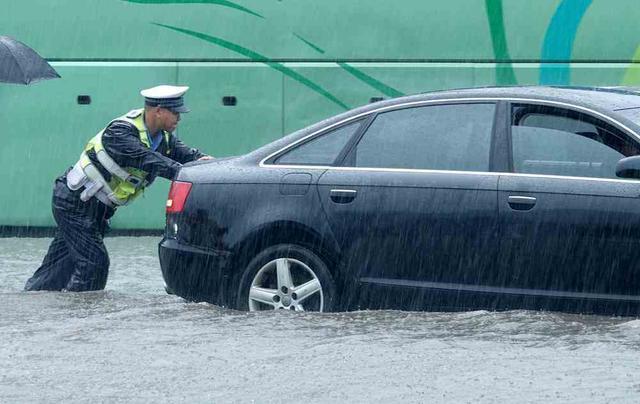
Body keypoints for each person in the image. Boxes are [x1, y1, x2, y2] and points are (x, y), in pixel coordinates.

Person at [24, 85, 211, 292]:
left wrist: (210, 166)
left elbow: (189, 156)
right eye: (175, 113)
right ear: (158, 111)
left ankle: (34, 301)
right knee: (94, 263)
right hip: (74, 202)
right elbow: (151, 162)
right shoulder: (120, 133)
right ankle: (81, 317)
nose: (179, 118)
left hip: (96, 209)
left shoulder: (162, 138)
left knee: (58, 267)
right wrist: (188, 173)